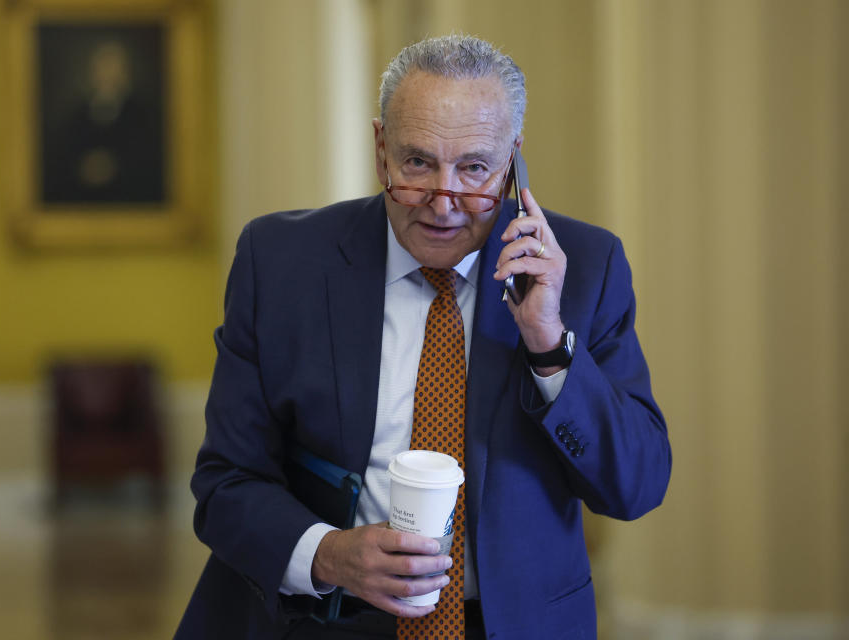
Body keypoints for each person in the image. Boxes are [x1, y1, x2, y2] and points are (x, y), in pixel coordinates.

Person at [175, 35, 671, 640]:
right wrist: (327, 554)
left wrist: (548, 342)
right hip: (319, 620)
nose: (443, 202)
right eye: (417, 163)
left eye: (473, 169)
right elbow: (225, 483)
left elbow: (636, 486)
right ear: (381, 148)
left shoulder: (586, 268)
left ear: (512, 160)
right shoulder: (279, 262)